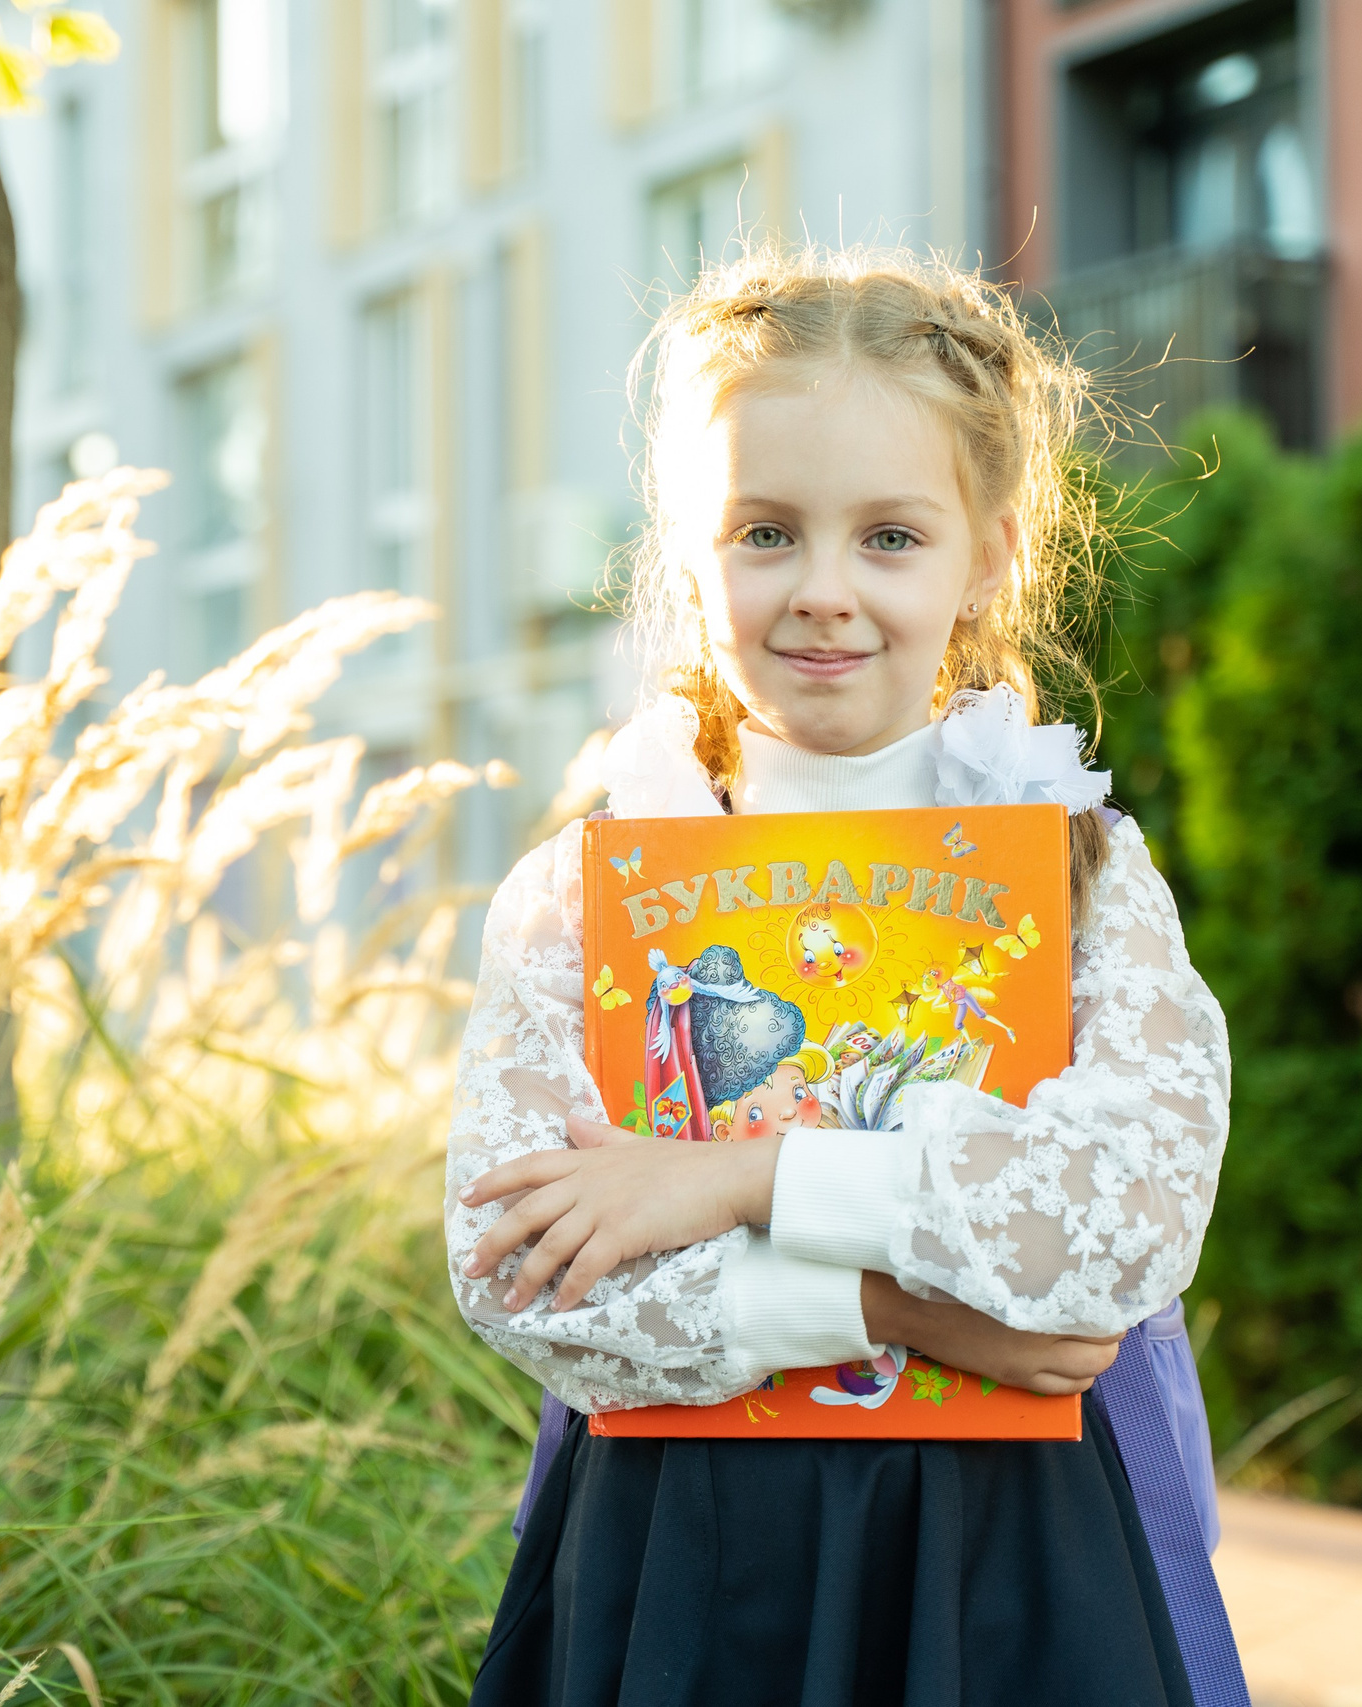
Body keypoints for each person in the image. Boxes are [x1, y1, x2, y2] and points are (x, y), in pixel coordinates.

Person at [444, 246, 1245, 1706]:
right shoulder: (587, 891)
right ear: (691, 549)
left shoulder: (1083, 871)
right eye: (765, 533)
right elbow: (517, 1273)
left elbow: (1121, 1224)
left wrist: (737, 1184)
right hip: (684, 1562)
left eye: (890, 536)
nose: (824, 592)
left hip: (1010, 1562)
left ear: (990, 551)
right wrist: (902, 1311)